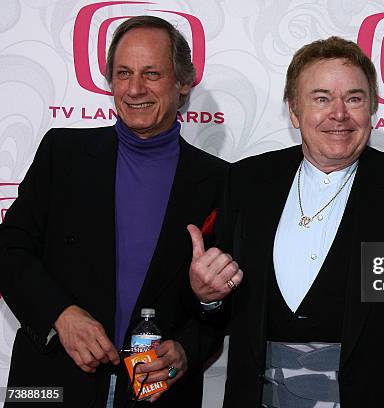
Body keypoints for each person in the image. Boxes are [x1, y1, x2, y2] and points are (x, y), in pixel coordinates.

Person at [189, 36, 384, 408]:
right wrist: (207, 298)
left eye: (354, 99)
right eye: (321, 98)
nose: (339, 114)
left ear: (371, 108)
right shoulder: (247, 182)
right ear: (294, 110)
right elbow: (221, 311)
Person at [0, 16, 231, 407]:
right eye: (123, 73)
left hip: (155, 391)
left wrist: (187, 351)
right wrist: (61, 315)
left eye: (152, 74)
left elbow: (222, 301)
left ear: (183, 82)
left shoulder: (220, 181)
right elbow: (8, 249)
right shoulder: (63, 153)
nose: (135, 89)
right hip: (45, 386)